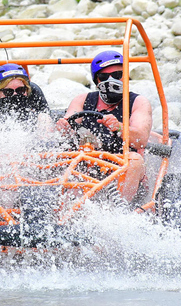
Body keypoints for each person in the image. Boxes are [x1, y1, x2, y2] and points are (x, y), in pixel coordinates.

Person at [56, 50, 152, 202]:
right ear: (97, 81)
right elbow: (69, 118)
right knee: (61, 157)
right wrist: (64, 126)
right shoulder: (83, 99)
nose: (111, 80)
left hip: (121, 162)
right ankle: (63, 212)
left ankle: (118, 213)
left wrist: (119, 127)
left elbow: (140, 140)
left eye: (117, 75)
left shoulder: (138, 102)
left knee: (134, 160)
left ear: (125, 76)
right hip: (86, 161)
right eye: (104, 77)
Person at [0, 63, 53, 131]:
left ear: (26, 91)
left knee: (44, 119)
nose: (15, 95)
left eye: (20, 90)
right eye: (8, 92)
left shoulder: (39, 112)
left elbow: (46, 116)